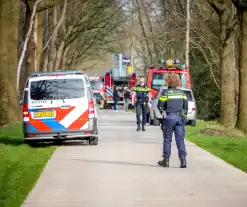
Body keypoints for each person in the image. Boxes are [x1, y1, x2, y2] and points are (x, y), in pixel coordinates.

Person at [157, 73, 188, 168]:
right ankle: (183, 161)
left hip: (169, 118)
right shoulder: (182, 93)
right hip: (179, 118)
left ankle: (166, 161)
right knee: (180, 140)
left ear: (168, 81)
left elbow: (160, 106)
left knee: (167, 140)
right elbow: (186, 107)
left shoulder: (165, 93)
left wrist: (163, 111)